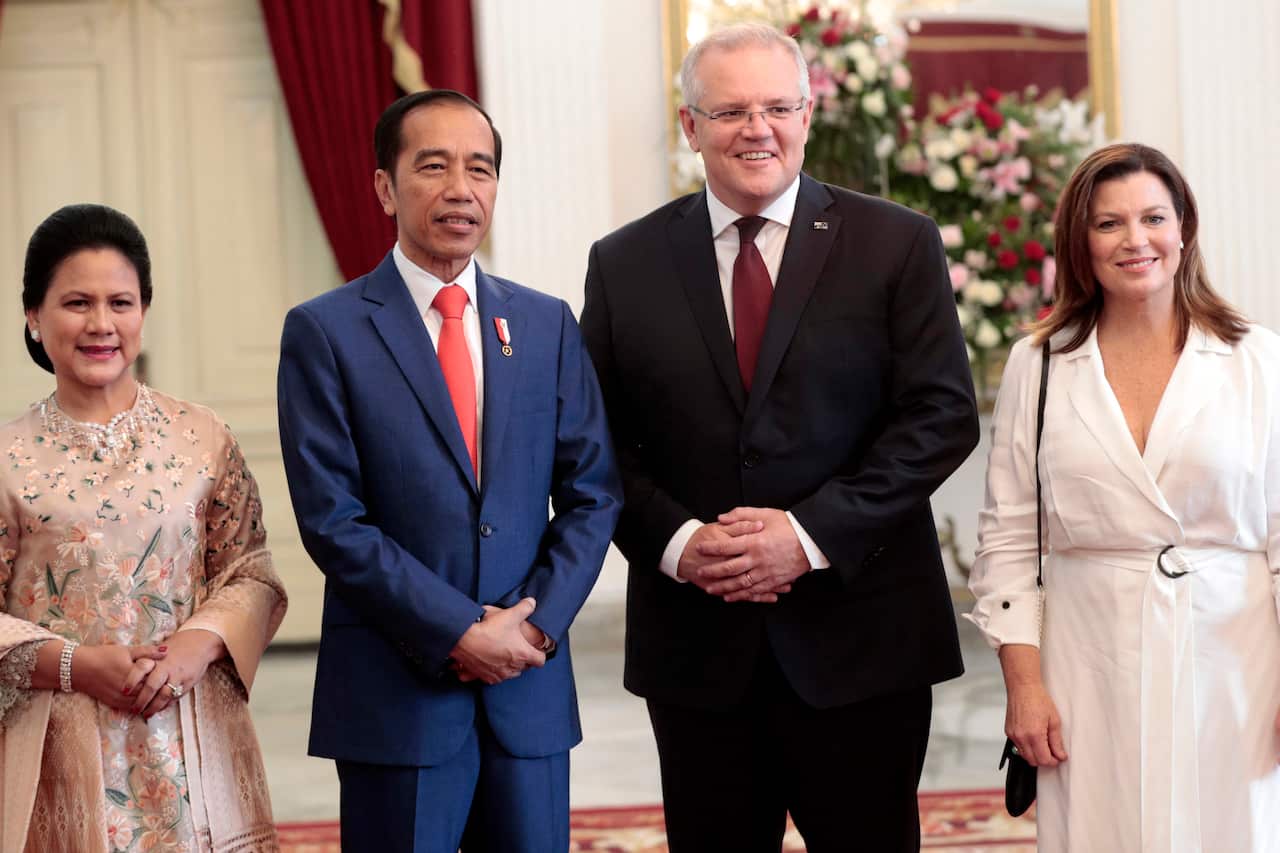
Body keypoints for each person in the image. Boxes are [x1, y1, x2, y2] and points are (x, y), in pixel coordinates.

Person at [580, 23, 978, 853]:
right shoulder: (624, 264)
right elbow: (595, 443)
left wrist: (805, 536)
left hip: (862, 637)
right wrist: (683, 544)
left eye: (777, 107)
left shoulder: (896, 243)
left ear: (808, 113)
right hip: (698, 645)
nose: (756, 128)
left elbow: (941, 415)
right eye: (729, 111)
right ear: (689, 127)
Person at [277, 89, 621, 853]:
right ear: (384, 186)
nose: (461, 189)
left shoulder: (543, 323)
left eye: (481, 168)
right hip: (397, 700)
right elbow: (333, 520)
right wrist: (460, 629)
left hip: (526, 693)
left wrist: (532, 625)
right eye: (432, 166)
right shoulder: (325, 331)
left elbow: (594, 493)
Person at [968, 142, 1280, 851]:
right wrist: (1024, 683)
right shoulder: (1038, 363)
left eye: (1153, 218)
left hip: (1236, 657)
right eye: (1109, 224)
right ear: (1080, 244)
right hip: (1090, 658)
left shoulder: (1257, 358)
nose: (1135, 240)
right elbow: (1009, 538)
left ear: (1184, 230)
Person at [0, 203, 287, 852]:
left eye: (120, 302)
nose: (101, 323)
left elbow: (251, 571)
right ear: (33, 317)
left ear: (143, 313)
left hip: (187, 731)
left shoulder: (202, 436)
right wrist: (76, 665)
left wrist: (198, 644)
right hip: (57, 745)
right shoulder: (7, 457)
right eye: (77, 302)